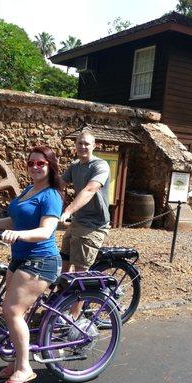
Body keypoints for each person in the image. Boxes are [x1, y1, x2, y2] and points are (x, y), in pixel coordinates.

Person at [0, 146, 64, 383]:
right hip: (20, 258)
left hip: (41, 260)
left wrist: (18, 235)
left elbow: (46, 231)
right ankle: (16, 359)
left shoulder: (51, 195)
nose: (35, 167)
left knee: (12, 310)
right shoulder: (28, 190)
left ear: (50, 166)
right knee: (13, 311)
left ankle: (24, 367)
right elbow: (16, 221)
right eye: (31, 163)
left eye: (40, 163)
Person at [59, 132, 110, 315]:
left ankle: (73, 317)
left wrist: (68, 211)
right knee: (64, 264)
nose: (82, 147)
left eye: (86, 144)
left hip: (93, 224)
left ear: (94, 146)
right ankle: (60, 306)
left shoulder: (100, 166)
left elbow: (90, 190)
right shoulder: (74, 166)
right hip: (78, 221)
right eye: (79, 143)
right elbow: (59, 185)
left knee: (80, 272)